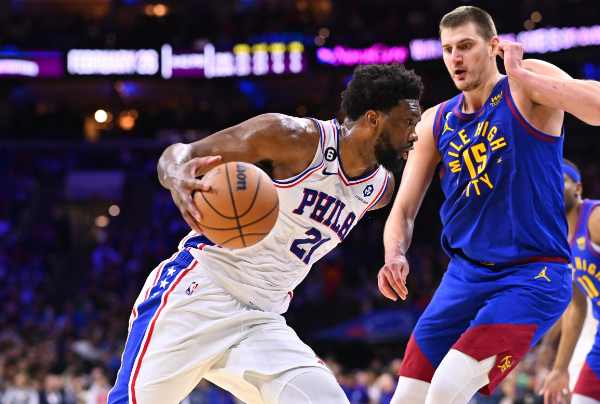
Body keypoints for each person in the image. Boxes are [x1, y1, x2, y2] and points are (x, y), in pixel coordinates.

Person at [107, 62, 424, 404]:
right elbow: (184, 153)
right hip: (200, 292)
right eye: (408, 122)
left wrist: (394, 253)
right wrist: (176, 175)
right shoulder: (293, 138)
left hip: (262, 318)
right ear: (374, 119)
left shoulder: (380, 189)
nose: (415, 134)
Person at [377, 6, 600, 404]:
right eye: (448, 49)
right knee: (407, 396)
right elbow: (404, 210)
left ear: (494, 46)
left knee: (446, 389)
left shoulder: (526, 84)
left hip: (532, 275)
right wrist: (394, 253)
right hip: (464, 277)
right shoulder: (435, 121)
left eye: (465, 46)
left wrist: (522, 74)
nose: (455, 58)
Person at [538, 159, 600, 404]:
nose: (552, 185)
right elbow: (576, 306)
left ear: (578, 188)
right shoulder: (557, 244)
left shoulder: (595, 217)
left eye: (560, 179)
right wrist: (560, 368)